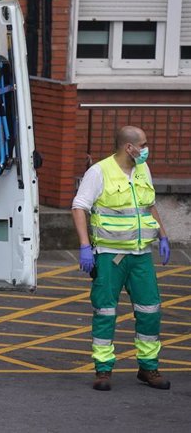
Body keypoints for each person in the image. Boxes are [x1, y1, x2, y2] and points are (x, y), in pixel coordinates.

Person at [72, 126, 171, 391]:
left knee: (150, 311)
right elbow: (79, 207)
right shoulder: (99, 172)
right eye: (144, 144)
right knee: (105, 312)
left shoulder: (142, 170)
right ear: (130, 148)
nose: (147, 149)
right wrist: (84, 246)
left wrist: (162, 236)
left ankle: (148, 368)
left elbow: (148, 206)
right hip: (110, 256)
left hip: (140, 255)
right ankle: (103, 371)